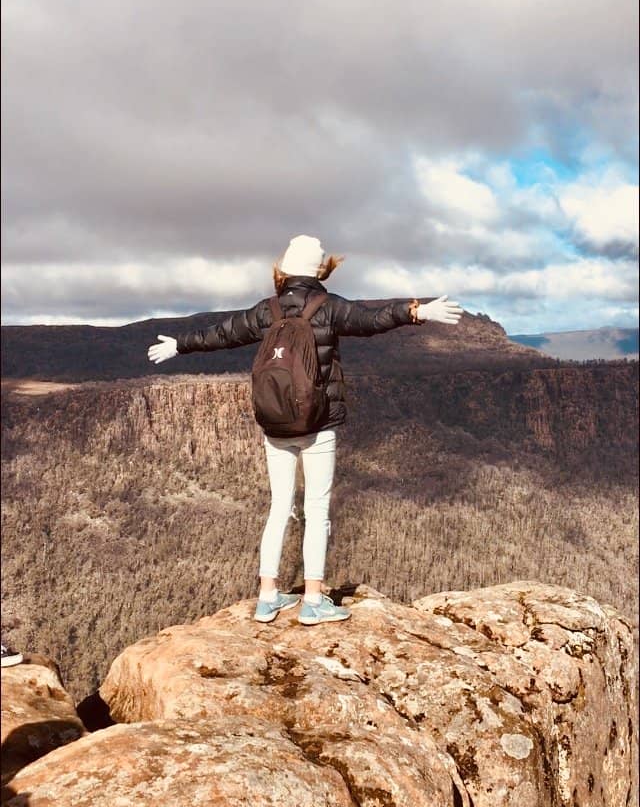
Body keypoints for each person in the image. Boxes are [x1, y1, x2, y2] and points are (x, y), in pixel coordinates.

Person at [148, 235, 463, 625]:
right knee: (316, 509)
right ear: (319, 270)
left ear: (285, 268)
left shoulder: (269, 310)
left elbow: (223, 333)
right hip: (319, 422)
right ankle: (313, 602)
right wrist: (416, 311)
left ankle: (267, 597)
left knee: (279, 506)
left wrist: (180, 344)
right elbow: (372, 318)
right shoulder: (328, 308)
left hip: (275, 423)